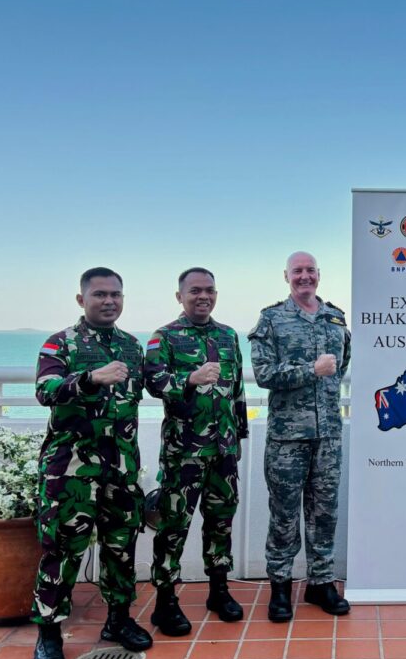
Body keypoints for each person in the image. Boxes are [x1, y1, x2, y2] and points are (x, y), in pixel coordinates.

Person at [32, 268, 152, 659]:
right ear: (81, 300)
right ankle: (49, 631)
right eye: (100, 294)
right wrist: (88, 379)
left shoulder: (132, 347)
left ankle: (118, 618)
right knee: (62, 550)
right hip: (72, 471)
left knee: (121, 547)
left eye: (116, 294)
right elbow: (45, 390)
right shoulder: (60, 342)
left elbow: (157, 384)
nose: (109, 301)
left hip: (120, 468)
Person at [143, 268, 249, 634]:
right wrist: (189, 378)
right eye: (194, 291)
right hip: (183, 452)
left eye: (209, 290)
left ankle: (218, 590)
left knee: (221, 522)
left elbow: (237, 389)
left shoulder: (228, 335)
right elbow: (153, 383)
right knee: (173, 527)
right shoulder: (165, 336)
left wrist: (239, 433)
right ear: (180, 296)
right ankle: (165, 601)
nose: (203, 296)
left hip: (224, 449)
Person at [248, 251, 351, 622]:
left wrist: (322, 371)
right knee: (284, 515)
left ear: (319, 275)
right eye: (297, 271)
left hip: (328, 438)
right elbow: (263, 373)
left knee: (324, 513)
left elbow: (343, 364)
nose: (304, 277)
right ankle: (279, 586)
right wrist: (311, 369)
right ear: (286, 276)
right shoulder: (272, 319)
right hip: (287, 440)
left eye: (310, 271)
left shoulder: (335, 318)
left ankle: (320, 583)